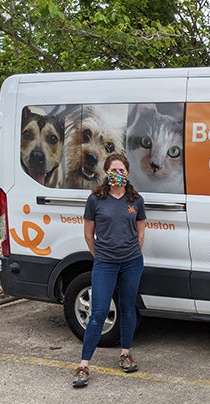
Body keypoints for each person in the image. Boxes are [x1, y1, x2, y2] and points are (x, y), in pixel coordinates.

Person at [72, 154, 146, 388]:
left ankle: (125, 353)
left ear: (127, 173)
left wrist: (132, 252)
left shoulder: (136, 200)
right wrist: (101, 256)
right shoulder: (96, 199)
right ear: (106, 172)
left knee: (127, 308)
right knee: (98, 313)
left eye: (121, 169)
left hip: (132, 262)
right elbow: (88, 233)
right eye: (113, 169)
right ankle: (84, 365)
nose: (117, 173)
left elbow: (141, 231)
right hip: (104, 263)